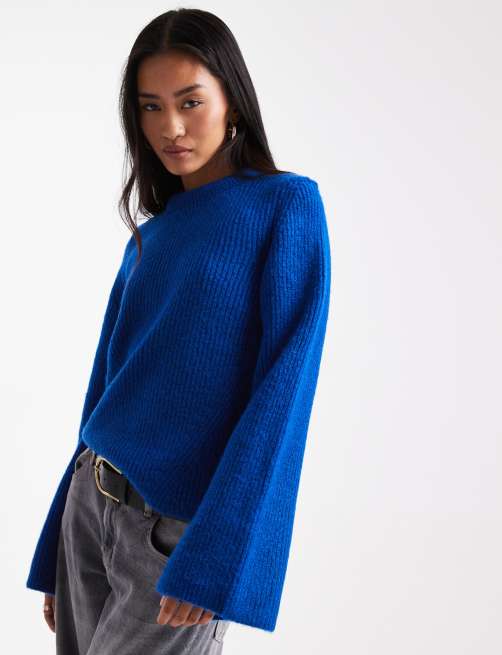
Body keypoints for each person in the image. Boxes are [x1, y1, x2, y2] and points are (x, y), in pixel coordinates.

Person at [26, 7, 331, 653]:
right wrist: (53, 542)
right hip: (89, 508)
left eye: (190, 101)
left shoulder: (284, 206)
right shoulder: (150, 236)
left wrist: (219, 559)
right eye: (150, 107)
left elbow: (282, 396)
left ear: (232, 101)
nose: (170, 127)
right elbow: (105, 391)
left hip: (174, 537)